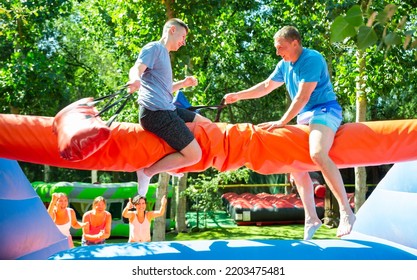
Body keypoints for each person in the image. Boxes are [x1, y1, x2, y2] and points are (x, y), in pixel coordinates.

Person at [223, 26, 355, 240]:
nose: (278, 52)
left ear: (295, 43)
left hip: (324, 110)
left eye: (280, 47)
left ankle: (346, 212)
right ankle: (312, 218)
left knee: (317, 154)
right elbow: (266, 86)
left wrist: (282, 122)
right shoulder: (284, 64)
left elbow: (302, 97)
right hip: (304, 117)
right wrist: (239, 95)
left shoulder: (311, 59)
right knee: (293, 164)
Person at [127, 18, 211, 196]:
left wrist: (183, 83)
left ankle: (175, 162)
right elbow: (137, 68)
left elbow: (164, 88)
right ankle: (147, 172)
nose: (183, 42)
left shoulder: (164, 54)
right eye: (183, 36)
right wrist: (135, 79)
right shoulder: (154, 48)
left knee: (205, 123)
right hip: (155, 113)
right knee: (194, 155)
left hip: (167, 108)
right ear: (172, 30)